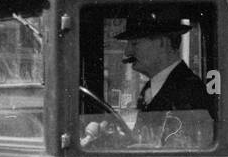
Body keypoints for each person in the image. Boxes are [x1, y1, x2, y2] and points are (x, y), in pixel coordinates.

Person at [82, 8, 216, 148]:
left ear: (162, 43)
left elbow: (185, 155)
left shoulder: (189, 92)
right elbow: (145, 140)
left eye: (135, 43)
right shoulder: (151, 87)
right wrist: (116, 139)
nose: (127, 52)